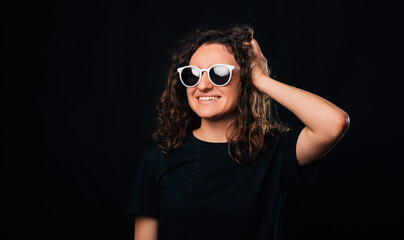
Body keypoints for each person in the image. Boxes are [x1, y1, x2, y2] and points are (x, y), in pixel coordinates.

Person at [125, 25, 349, 240]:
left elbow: (334, 123)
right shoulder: (159, 157)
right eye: (192, 74)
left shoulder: (274, 152)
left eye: (219, 73)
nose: (202, 86)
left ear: (244, 81)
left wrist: (262, 80)